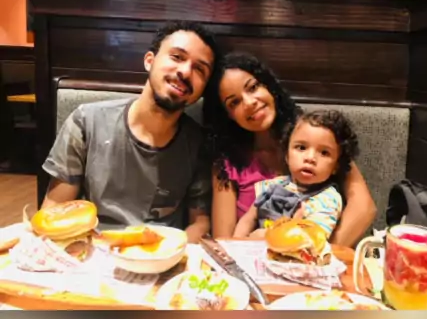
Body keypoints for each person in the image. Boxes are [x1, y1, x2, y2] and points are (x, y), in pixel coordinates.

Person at [42, 21, 218, 242]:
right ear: (149, 61)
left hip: (161, 252)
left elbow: (200, 223)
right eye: (177, 57)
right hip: (94, 249)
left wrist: (172, 250)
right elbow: (54, 212)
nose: (185, 71)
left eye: (200, 69)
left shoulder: (199, 144)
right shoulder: (86, 122)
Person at [203, 52, 377, 246]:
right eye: (234, 102)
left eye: (253, 87)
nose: (250, 102)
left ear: (268, 86)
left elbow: (364, 207)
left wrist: (315, 254)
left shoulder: (315, 134)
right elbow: (224, 241)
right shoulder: (227, 162)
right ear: (228, 115)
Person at [233, 109, 358, 239]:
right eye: (301, 147)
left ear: (336, 166)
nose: (310, 158)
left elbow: (312, 238)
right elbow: (248, 219)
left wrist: (265, 236)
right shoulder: (273, 185)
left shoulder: (327, 200)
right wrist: (236, 242)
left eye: (324, 153)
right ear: (287, 155)